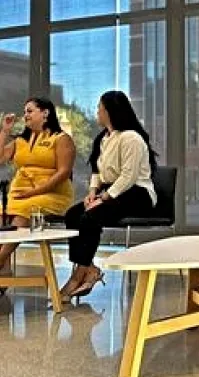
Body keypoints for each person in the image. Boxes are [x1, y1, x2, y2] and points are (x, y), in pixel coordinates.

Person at [62, 90, 157, 302]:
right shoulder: (103, 139)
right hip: (110, 191)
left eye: (99, 108)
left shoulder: (131, 138)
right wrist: (92, 193)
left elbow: (129, 176)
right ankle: (89, 268)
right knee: (72, 215)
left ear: (110, 111)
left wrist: (103, 198)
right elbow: (97, 172)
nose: (97, 112)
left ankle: (78, 275)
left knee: (90, 217)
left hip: (137, 194)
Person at [0, 97, 75, 282]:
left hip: (52, 193)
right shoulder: (20, 141)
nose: (25, 115)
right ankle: (4, 272)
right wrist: (5, 131)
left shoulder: (61, 138)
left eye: (30, 111)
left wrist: (33, 192)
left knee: (24, 210)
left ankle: (0, 259)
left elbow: (64, 172)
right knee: (3, 212)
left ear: (45, 113)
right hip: (20, 193)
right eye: (25, 111)